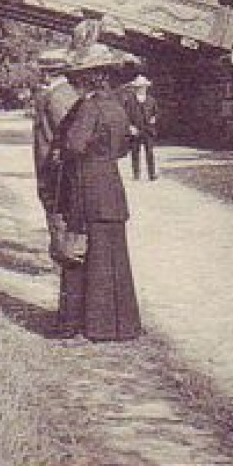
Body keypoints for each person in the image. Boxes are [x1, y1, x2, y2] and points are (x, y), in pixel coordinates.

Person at [52, 45, 142, 341]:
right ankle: (122, 326)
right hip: (111, 185)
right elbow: (124, 148)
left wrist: (63, 148)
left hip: (87, 184)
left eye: (82, 78)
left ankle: (93, 326)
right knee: (114, 257)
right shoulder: (118, 107)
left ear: (92, 78)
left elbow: (75, 146)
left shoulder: (89, 107)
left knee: (88, 256)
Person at [31, 49, 79, 223]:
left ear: (46, 74)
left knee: (56, 210)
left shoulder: (56, 97)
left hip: (52, 165)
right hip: (56, 163)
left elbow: (64, 134)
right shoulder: (67, 93)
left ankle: (61, 250)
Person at [122, 75, 161, 181]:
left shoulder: (151, 100)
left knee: (149, 152)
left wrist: (154, 118)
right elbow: (125, 115)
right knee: (135, 152)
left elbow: (156, 113)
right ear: (135, 88)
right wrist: (130, 127)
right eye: (139, 87)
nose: (141, 89)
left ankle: (152, 174)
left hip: (148, 129)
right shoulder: (130, 101)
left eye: (143, 87)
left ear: (146, 87)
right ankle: (136, 174)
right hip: (135, 129)